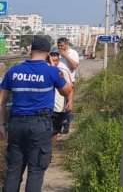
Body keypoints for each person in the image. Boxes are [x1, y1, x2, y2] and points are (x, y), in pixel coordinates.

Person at [0, 38, 73, 192]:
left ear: (30, 51)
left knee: (13, 171)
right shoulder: (51, 71)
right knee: (36, 171)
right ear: (47, 53)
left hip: (16, 125)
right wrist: (54, 69)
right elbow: (67, 91)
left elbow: (1, 100)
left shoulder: (14, 71)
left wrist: (1, 124)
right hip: (40, 125)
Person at [46, 51, 74, 143]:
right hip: (45, 107)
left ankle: (50, 153)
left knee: (54, 132)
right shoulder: (44, 70)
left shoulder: (63, 71)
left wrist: (70, 101)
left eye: (56, 60)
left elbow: (70, 88)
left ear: (59, 60)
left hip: (59, 107)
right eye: (52, 60)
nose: (54, 63)